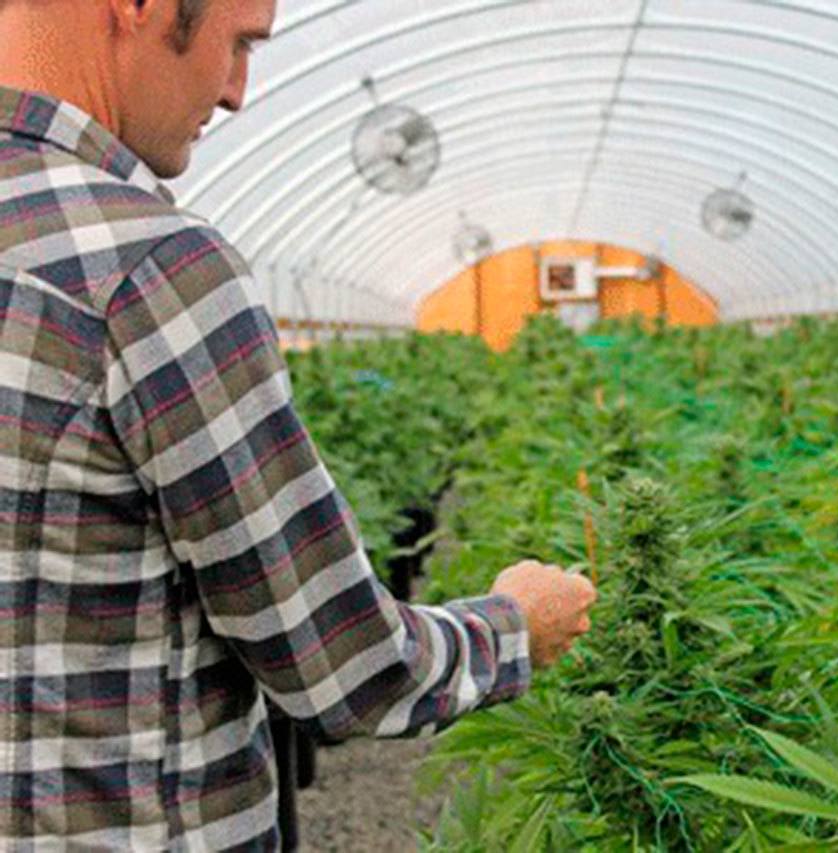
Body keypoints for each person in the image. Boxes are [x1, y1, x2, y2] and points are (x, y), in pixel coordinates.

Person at [0, 0, 598, 848]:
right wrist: (514, 625)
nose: (238, 91)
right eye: (237, 42)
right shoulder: (149, 271)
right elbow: (342, 667)